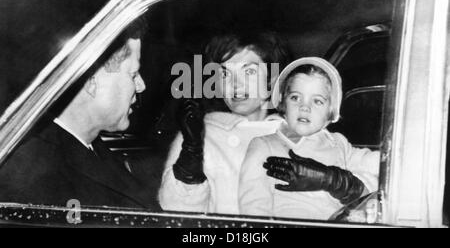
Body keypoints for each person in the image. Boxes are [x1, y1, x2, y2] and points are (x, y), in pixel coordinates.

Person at [0, 19, 160, 210]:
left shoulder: (92, 149)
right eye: (133, 74)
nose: (142, 85)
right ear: (91, 81)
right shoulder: (31, 171)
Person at [158, 31, 292, 214]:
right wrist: (190, 160)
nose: (235, 84)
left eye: (249, 71)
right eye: (225, 74)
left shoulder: (296, 136)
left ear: (272, 80)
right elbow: (177, 214)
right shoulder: (201, 134)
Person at [239, 57, 380, 220]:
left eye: (317, 101)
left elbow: (379, 164)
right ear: (283, 103)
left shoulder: (338, 142)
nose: (304, 107)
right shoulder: (264, 146)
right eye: (295, 98)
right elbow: (253, 210)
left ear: (331, 111)